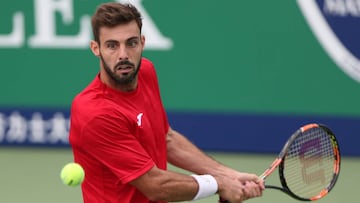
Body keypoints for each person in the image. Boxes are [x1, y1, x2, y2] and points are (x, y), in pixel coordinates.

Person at [69, 2, 264, 203]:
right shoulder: (94, 113)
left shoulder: (145, 72)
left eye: (131, 43)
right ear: (96, 48)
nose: (123, 55)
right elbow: (154, 185)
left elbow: (166, 138)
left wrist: (227, 175)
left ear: (142, 42)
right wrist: (219, 184)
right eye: (112, 45)